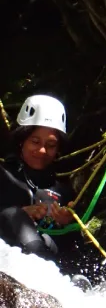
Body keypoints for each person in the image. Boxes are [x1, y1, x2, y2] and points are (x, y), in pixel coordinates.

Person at [0, 94, 74, 260]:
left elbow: (74, 247)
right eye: (35, 141)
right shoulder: (3, 174)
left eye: (51, 145)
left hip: (55, 264)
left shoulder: (62, 189)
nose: (42, 151)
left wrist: (66, 224)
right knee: (12, 214)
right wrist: (21, 215)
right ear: (22, 140)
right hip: (8, 255)